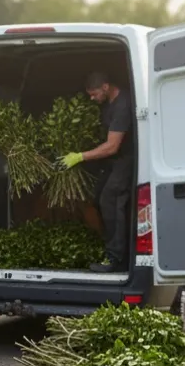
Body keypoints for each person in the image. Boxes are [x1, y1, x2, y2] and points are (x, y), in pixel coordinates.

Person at [58, 71, 136, 273]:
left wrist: (80, 156)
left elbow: (112, 146)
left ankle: (117, 258)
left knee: (110, 199)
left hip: (126, 161)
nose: (92, 100)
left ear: (105, 87)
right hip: (112, 162)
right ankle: (113, 242)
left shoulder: (122, 105)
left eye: (94, 95)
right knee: (98, 197)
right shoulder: (107, 104)